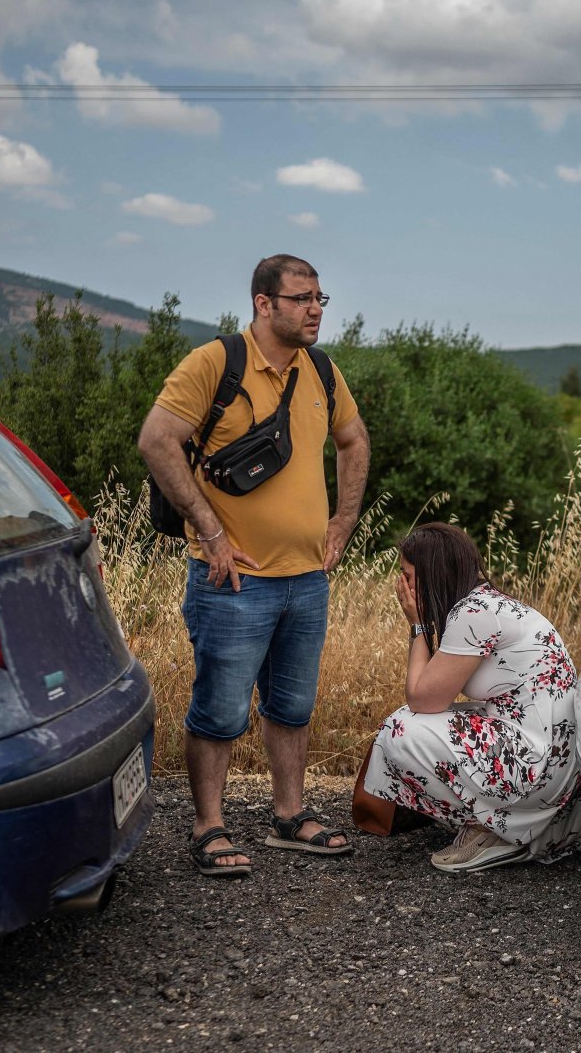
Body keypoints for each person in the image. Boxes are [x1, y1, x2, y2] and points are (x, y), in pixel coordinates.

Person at [138, 254, 370, 878]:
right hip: (232, 580)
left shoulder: (322, 370)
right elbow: (156, 440)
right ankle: (208, 827)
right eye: (301, 298)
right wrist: (209, 531)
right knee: (220, 711)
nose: (315, 308)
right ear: (264, 304)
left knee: (291, 706)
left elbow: (354, 441)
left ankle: (289, 816)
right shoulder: (216, 363)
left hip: (306, 579)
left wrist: (344, 522)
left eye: (321, 297)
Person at [363, 522, 581, 873]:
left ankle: (496, 831)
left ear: (431, 575)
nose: (401, 586)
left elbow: (423, 698)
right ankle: (505, 822)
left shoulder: (475, 613)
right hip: (552, 760)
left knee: (399, 730)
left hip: (538, 767)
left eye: (407, 575)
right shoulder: (485, 604)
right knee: (418, 722)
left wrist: (418, 624)